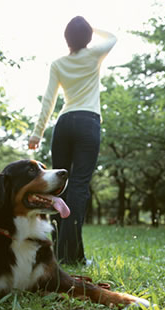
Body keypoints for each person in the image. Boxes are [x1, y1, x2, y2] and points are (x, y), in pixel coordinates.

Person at [29, 16, 117, 264]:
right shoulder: (94, 55)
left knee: (59, 187)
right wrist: (92, 28)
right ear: (88, 37)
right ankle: (71, 256)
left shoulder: (58, 63)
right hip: (88, 122)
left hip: (64, 123)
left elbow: (49, 100)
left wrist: (37, 133)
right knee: (78, 187)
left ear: (66, 39)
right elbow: (113, 37)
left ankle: (62, 254)